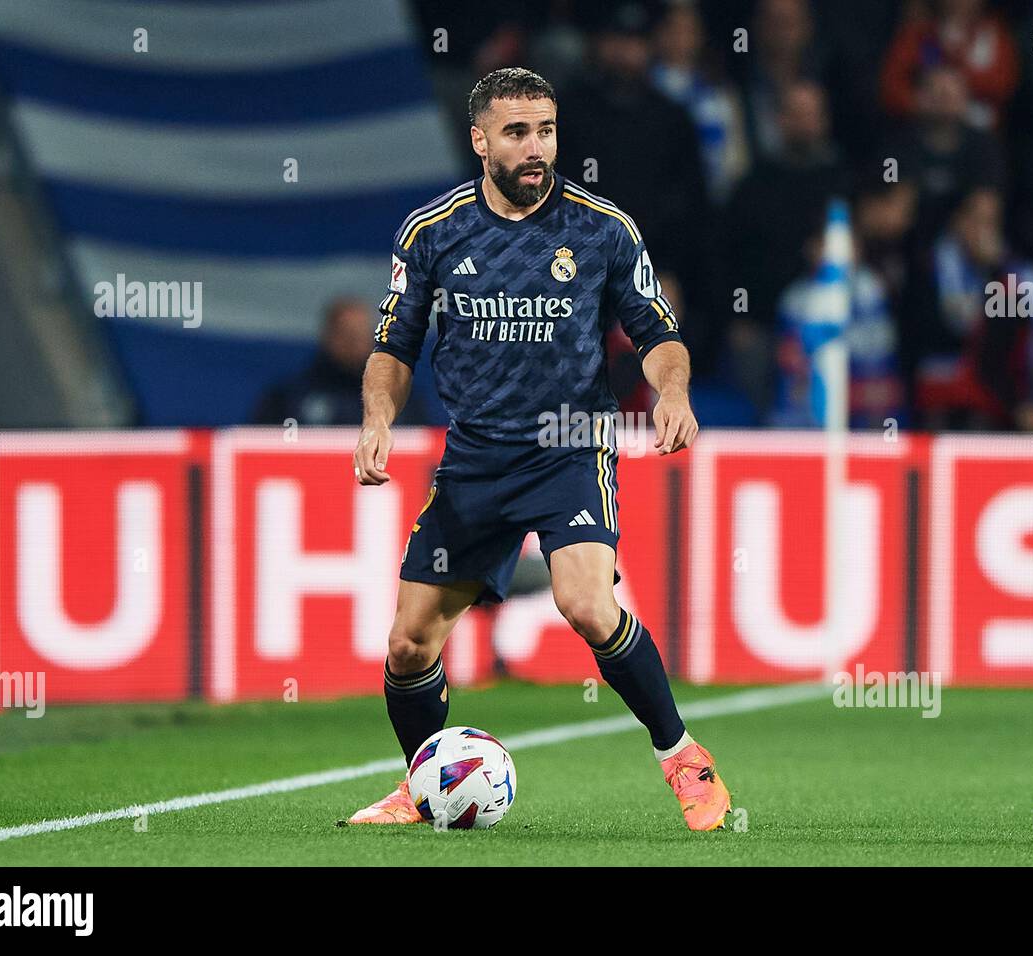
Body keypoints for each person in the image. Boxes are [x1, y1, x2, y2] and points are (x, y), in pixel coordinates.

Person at [345, 67, 730, 831]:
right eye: (517, 132)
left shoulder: (601, 230)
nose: (535, 148)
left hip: (569, 448)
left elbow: (656, 333)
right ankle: (425, 789)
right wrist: (376, 419)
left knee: (587, 605)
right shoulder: (433, 233)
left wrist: (673, 394)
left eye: (546, 131)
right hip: (476, 459)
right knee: (408, 644)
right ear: (479, 138)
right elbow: (394, 345)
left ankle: (682, 756)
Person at [252, 297, 376, 426]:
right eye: (350, 335)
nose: (355, 344)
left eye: (363, 335)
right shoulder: (289, 396)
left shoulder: (388, 397)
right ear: (329, 335)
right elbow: (263, 439)